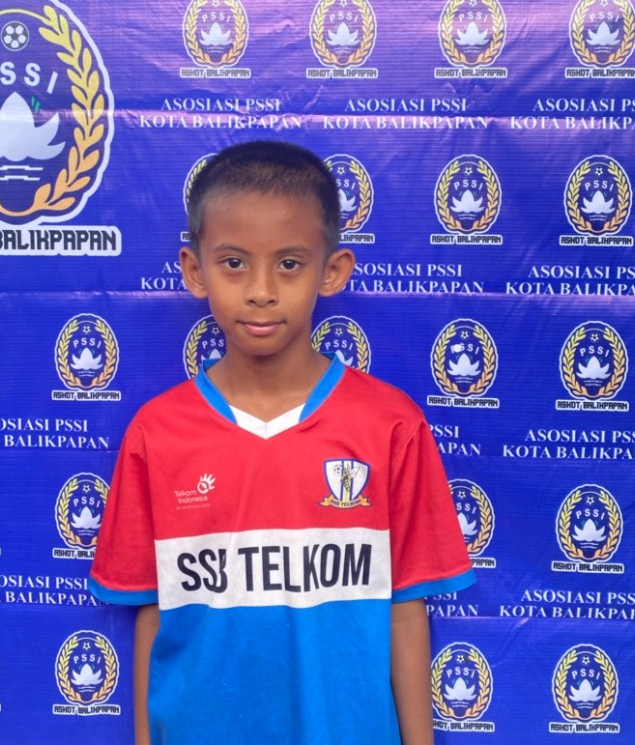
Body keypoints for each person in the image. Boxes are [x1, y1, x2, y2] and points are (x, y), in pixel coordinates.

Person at [89, 140, 476, 745]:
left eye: (290, 264)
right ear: (194, 270)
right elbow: (153, 613)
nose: (261, 290)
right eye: (234, 263)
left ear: (333, 270)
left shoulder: (390, 426)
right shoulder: (157, 432)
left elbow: (405, 611)